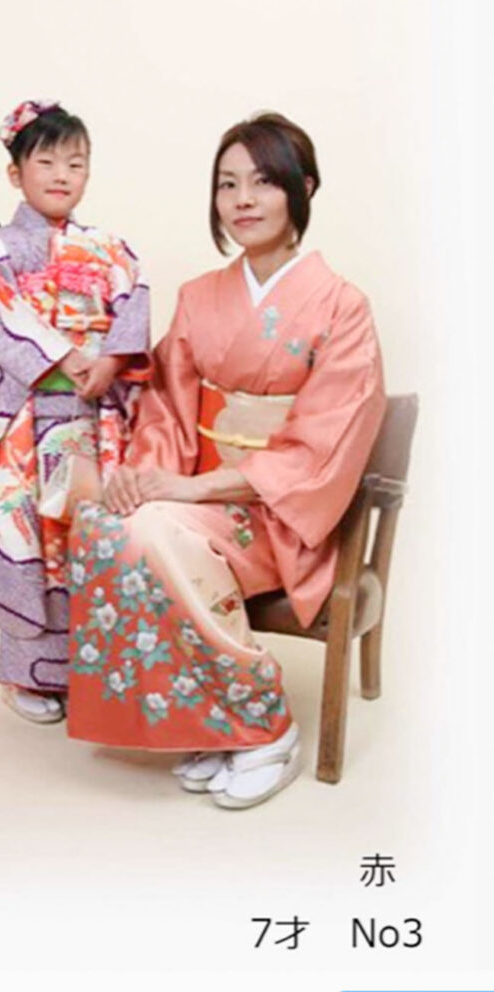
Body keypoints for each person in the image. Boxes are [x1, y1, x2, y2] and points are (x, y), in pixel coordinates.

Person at [65, 112, 386, 807]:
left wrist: (189, 490)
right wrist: (148, 477)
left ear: (302, 188)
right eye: (227, 184)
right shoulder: (200, 298)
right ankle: (211, 721)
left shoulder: (343, 307)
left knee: (154, 530)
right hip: (202, 500)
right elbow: (166, 409)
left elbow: (324, 447)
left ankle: (265, 726)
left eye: (263, 182)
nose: (242, 200)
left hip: (278, 514)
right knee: (108, 523)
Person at [0, 100, 151, 724]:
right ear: (16, 173)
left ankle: (92, 670)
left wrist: (112, 363)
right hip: (27, 418)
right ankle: (26, 675)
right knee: (30, 539)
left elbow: (134, 306)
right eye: (46, 162)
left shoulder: (111, 249)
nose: (62, 174)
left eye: (76, 162)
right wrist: (69, 358)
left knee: (86, 533)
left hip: (92, 416)